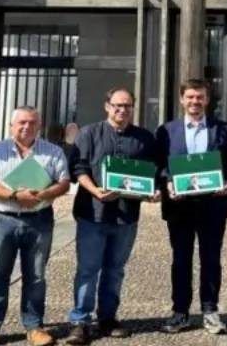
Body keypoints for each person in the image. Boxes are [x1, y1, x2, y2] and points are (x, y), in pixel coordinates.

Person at [67, 88, 160, 345]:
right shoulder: (89, 133)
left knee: (115, 270)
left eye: (127, 106)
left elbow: (152, 172)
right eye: (118, 105)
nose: (122, 110)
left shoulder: (144, 138)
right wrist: (95, 190)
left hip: (126, 216)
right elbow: (79, 168)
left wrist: (153, 191)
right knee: (87, 270)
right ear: (107, 106)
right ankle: (80, 321)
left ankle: (107, 318)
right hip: (92, 214)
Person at [0, 107, 71, 346]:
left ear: (39, 126)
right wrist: (15, 195)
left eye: (32, 122)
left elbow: (64, 183)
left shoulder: (53, 151)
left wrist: (44, 193)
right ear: (11, 126)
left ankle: (34, 326)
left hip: (39, 219)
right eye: (22, 122)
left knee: (36, 276)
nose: (27, 127)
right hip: (3, 219)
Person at [155, 79, 227, 335]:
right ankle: (180, 312)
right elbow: (160, 164)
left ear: (207, 100)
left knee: (211, 259)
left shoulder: (223, 129)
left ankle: (210, 311)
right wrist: (168, 182)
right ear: (182, 99)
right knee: (180, 259)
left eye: (200, 97)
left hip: (212, 205)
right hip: (179, 206)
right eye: (190, 97)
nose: (195, 101)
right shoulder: (166, 130)